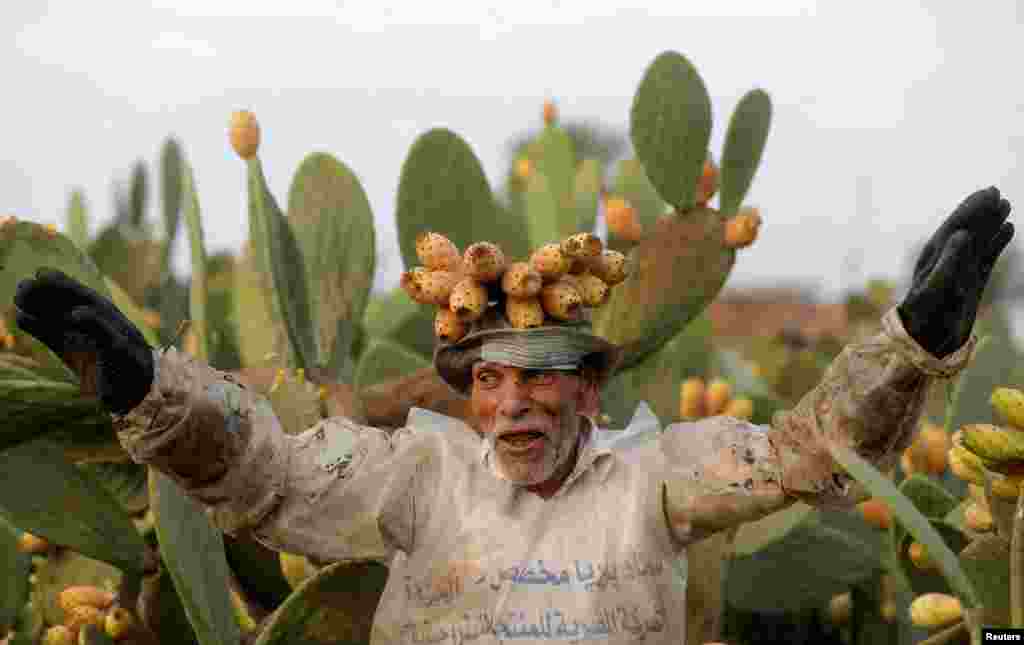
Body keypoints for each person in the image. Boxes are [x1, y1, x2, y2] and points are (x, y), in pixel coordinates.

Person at [12, 187, 1013, 643]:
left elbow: (808, 462)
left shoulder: (656, 480)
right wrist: (150, 391)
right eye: (488, 382)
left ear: (588, 389)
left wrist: (908, 343)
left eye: (540, 380)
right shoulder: (417, 479)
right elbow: (264, 477)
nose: (513, 404)